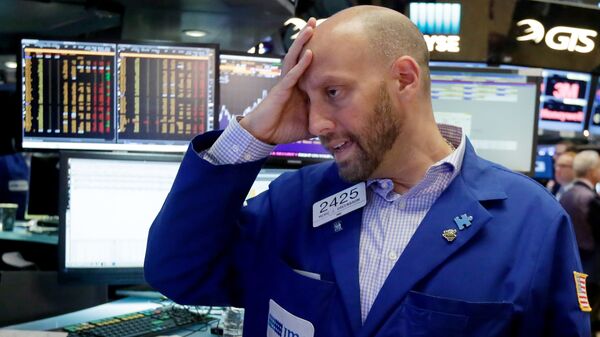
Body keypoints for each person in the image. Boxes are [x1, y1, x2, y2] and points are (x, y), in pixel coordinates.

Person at [145, 6, 590, 336]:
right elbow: (178, 273)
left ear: (404, 79)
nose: (316, 123)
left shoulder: (533, 221)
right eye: (306, 98)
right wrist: (254, 133)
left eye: (334, 92)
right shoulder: (296, 201)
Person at [560, 150, 600, 278]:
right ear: (592, 171)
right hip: (591, 268)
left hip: (569, 264)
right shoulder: (590, 199)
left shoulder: (564, 195)